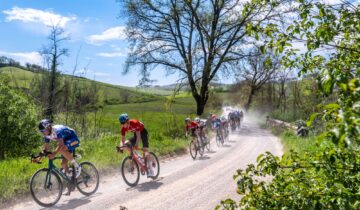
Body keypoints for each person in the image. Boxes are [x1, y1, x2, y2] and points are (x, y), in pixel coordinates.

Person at [38, 119, 82, 196]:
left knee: (61, 149)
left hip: (73, 139)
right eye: (42, 131)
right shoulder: (47, 135)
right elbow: (46, 147)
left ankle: (77, 166)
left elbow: (61, 145)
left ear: (48, 127)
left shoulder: (56, 131)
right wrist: (41, 155)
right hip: (65, 141)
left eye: (44, 130)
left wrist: (54, 154)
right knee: (63, 164)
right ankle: (70, 179)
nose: (43, 132)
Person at [118, 113, 154, 177]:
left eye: (123, 123)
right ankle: (138, 158)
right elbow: (122, 140)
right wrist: (121, 147)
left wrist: (136, 145)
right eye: (121, 123)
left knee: (145, 150)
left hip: (143, 132)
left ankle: (151, 171)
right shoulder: (123, 128)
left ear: (127, 121)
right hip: (136, 134)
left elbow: (138, 136)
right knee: (127, 144)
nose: (123, 125)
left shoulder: (134, 122)